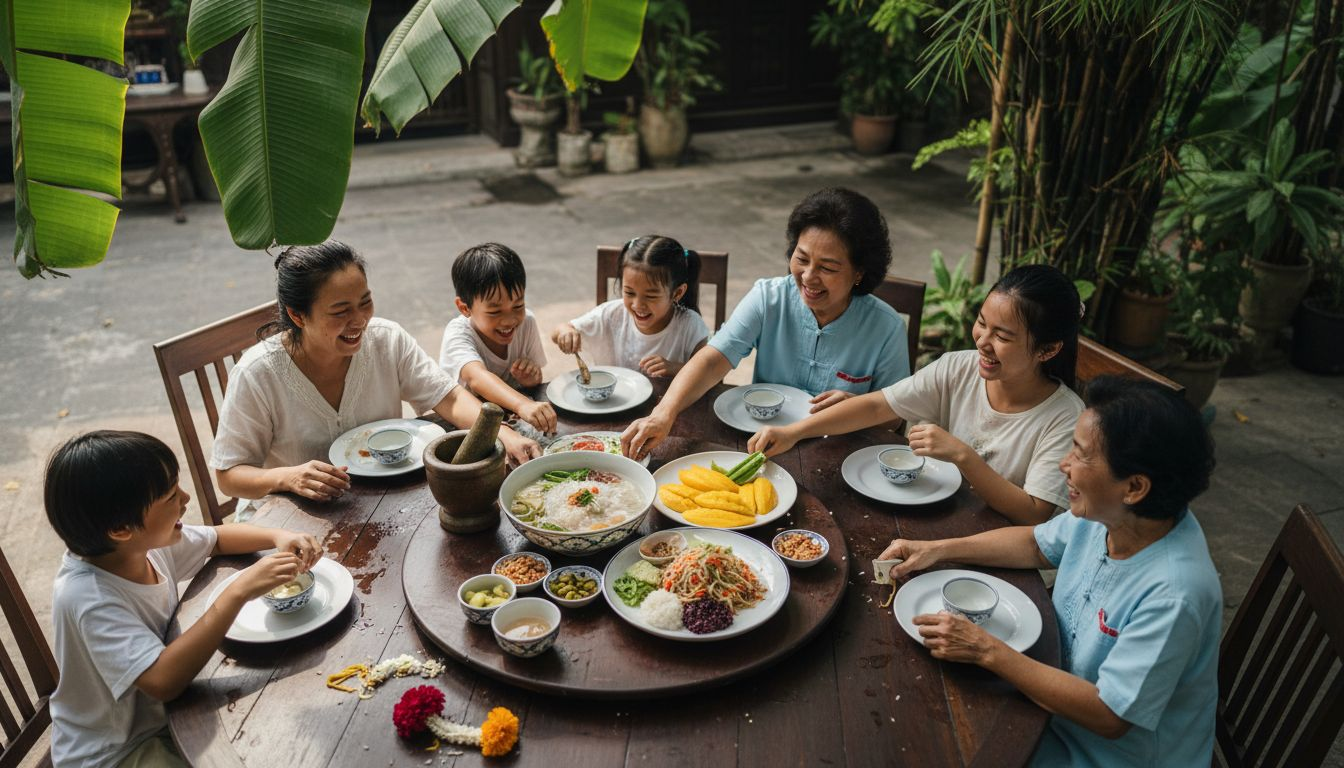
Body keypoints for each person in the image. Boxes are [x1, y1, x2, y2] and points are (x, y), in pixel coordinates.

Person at [879, 377, 1221, 766]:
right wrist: (936, 550)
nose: (1064, 465)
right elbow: (1035, 545)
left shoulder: (1176, 593)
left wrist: (985, 649)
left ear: (1134, 487)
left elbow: (1109, 715)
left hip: (1099, 752)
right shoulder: (1115, 514)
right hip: (1044, 697)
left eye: (1080, 454)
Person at [46, 430, 323, 768]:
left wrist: (280, 536)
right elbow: (163, 681)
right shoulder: (88, 598)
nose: (186, 498)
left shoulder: (138, 548)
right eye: (170, 496)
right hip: (119, 749)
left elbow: (217, 539)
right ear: (121, 529)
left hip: (167, 714)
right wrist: (237, 592)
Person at [748, 263, 1083, 524]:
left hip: (1002, 551)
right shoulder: (958, 367)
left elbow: (1034, 513)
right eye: (982, 323)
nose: (983, 341)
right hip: (943, 518)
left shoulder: (1065, 418)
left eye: (1003, 336)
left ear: (1048, 349)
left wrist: (963, 455)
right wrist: (793, 432)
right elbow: (877, 406)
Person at [213, 241, 539, 505]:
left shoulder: (386, 340)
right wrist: (287, 477)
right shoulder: (257, 374)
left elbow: (449, 397)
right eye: (341, 311)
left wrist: (504, 434)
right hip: (291, 520)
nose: (359, 321)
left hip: (382, 501)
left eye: (365, 302)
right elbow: (229, 476)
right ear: (298, 316)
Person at [621, 187, 910, 459]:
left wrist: (855, 406)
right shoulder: (768, 298)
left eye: (827, 267)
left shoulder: (886, 327)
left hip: (843, 454)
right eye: (802, 258)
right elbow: (712, 359)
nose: (809, 277)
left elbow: (894, 418)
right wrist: (663, 414)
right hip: (763, 447)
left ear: (859, 272)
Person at [438, 243, 556, 435]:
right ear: (465, 308)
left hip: (514, 421)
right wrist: (523, 404)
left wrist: (531, 379)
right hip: (469, 427)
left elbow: (536, 382)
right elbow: (476, 378)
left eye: (518, 306)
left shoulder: (527, 323)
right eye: (494, 312)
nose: (510, 320)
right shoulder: (458, 334)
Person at [551, 235, 709, 378]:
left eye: (651, 296)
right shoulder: (611, 314)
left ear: (677, 293)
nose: (638, 305)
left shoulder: (690, 326)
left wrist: (676, 369)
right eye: (629, 292)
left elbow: (710, 373)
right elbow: (558, 331)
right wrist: (566, 332)